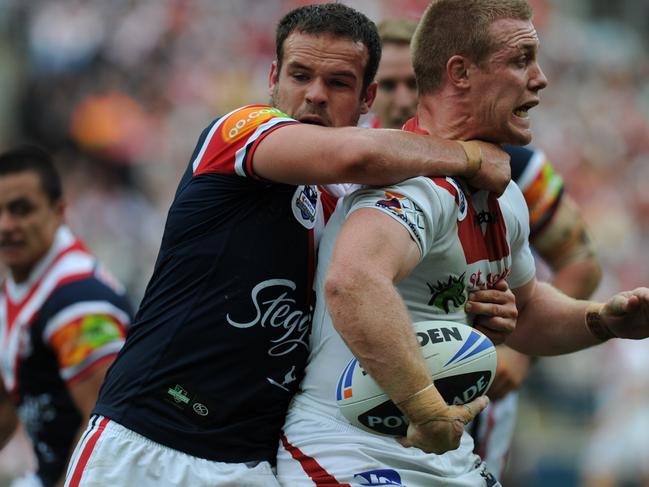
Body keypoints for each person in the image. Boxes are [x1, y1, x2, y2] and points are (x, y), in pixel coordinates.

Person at [63, 4, 513, 487]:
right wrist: (468, 154)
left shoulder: (359, 206)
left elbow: (385, 297)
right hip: (147, 440)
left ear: (367, 99)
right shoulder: (236, 135)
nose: (315, 95)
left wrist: (480, 307)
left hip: (254, 461)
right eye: (300, 75)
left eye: (339, 83)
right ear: (274, 78)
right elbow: (357, 152)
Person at [277, 1, 649, 485]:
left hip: (447, 453)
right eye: (521, 60)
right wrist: (427, 410)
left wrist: (603, 320)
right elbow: (352, 282)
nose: (539, 78)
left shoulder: (507, 194)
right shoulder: (411, 186)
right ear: (460, 73)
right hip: (352, 454)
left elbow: (529, 308)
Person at [369, 16, 603, 478]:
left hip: (474, 397)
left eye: (411, 83)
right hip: (369, 404)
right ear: (365, 92)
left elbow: (582, 262)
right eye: (386, 85)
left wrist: (520, 351)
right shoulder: (354, 162)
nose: (401, 99)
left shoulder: (519, 166)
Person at [0, 145, 132, 487]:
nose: (5, 226)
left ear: (59, 211)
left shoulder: (77, 304)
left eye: (21, 210)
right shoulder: (17, 286)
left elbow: (106, 430)